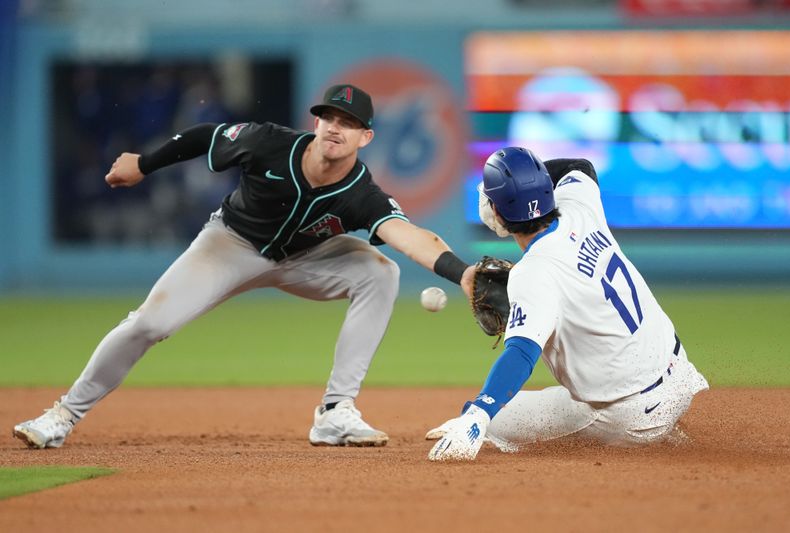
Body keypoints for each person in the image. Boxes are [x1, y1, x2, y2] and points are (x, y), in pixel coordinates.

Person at [13, 84, 474, 450]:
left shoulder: (362, 193)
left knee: (381, 271)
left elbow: (412, 237)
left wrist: (463, 274)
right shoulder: (269, 143)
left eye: (349, 123)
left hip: (306, 260)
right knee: (150, 323)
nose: (336, 127)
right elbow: (205, 135)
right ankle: (64, 414)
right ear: (316, 122)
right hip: (230, 244)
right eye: (330, 117)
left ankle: (336, 412)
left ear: (365, 137)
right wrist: (145, 164)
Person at [427, 147, 709, 461]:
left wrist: (480, 413)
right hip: (680, 377)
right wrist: (526, 183)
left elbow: (521, 353)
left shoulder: (534, 272)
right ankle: (664, 429)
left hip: (629, 416)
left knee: (496, 421)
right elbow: (580, 165)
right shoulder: (578, 206)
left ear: (498, 210)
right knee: (559, 400)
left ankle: (649, 436)